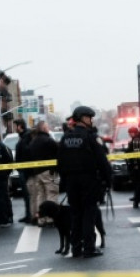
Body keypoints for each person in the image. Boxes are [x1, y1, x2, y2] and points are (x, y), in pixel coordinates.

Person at [56, 105, 111, 258]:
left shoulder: (65, 138)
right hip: (89, 181)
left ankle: (76, 248)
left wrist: (65, 182)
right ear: (82, 118)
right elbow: (102, 161)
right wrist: (108, 180)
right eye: (89, 117)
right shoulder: (90, 137)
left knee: (75, 214)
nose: (91, 120)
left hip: (71, 182)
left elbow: (59, 162)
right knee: (89, 214)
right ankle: (89, 247)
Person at [27, 121, 60, 225]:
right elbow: (57, 153)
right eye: (47, 126)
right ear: (44, 129)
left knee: (40, 196)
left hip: (37, 172)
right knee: (51, 193)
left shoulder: (33, 142)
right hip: (48, 171)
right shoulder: (49, 140)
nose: (48, 128)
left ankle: (41, 219)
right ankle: (51, 218)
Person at [13, 119, 34, 223]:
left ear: (20, 126)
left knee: (28, 194)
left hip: (26, 170)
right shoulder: (23, 137)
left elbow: (27, 153)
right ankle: (28, 215)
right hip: (22, 169)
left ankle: (31, 215)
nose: (14, 128)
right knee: (26, 195)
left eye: (15, 126)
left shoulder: (27, 137)